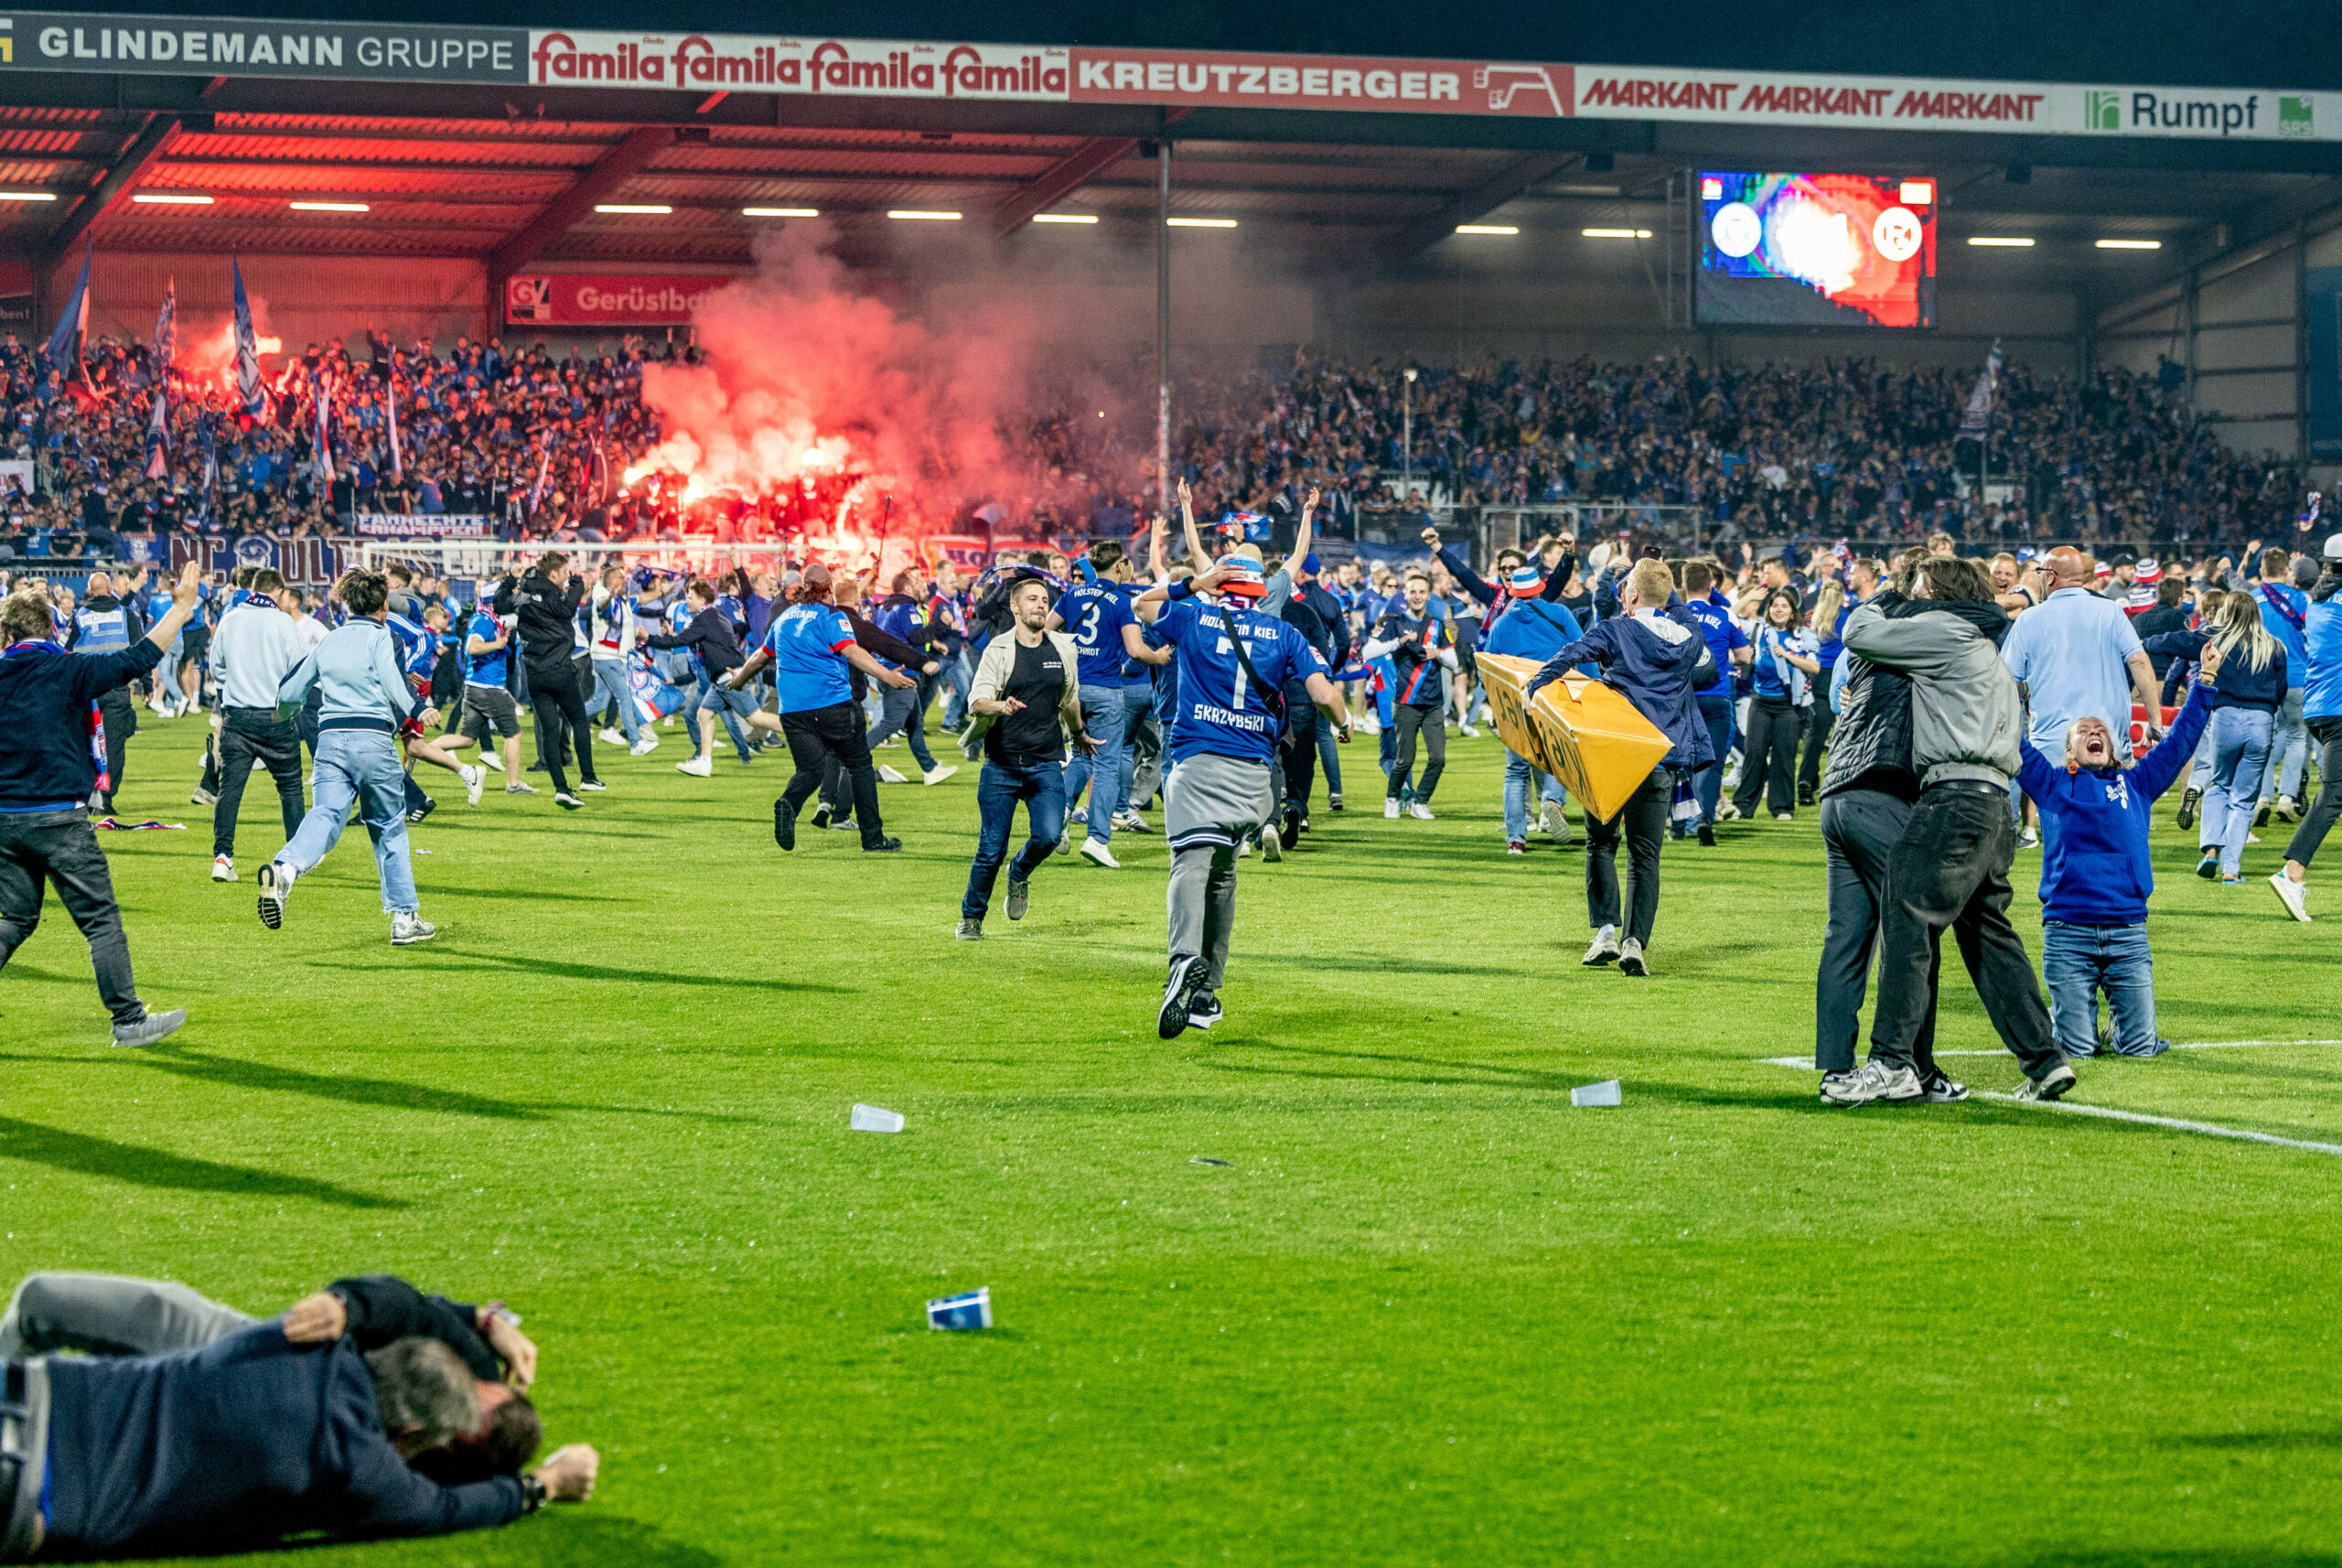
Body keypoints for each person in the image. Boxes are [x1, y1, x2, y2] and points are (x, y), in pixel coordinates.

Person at [5, 1305, 595, 1557]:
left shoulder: (296, 1335)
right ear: (412, 1429)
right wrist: (545, 1484)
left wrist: (479, 1318)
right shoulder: (357, 1471)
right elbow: (444, 1509)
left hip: (29, 1390)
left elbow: (395, 1299)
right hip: (35, 1498)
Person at [1831, 555, 2073, 1105]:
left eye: (1920, 587)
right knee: (1988, 933)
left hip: (1953, 796)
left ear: (1936, 590)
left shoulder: (1944, 628)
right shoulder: (1991, 645)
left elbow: (1859, 632)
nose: (1913, 595)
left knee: (1907, 914)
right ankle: (2044, 1059)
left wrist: (1889, 597)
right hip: (1996, 806)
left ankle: (1892, 1062)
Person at [1132, 549, 1350, 1036]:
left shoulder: (1194, 617)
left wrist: (1194, 583)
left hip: (1198, 762)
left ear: (1220, 583)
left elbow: (1141, 605)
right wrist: (1345, 722)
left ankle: (1183, 962)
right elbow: (1324, 695)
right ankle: (1206, 996)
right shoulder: (1284, 633)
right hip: (1253, 774)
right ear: (1260, 590)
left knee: (1190, 862)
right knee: (1224, 876)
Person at [0, 562, 201, 1047]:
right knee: (100, 921)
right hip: (60, 819)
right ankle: (129, 1021)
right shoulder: (70, 668)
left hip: (5, 820)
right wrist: (182, 609)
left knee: (14, 918)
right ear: (52, 629)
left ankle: (129, 1020)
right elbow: (138, 658)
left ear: (5, 633)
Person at [2015, 643, 2221, 1059]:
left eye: (2101, 732)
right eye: (2084, 731)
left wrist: (2206, 682)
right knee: (2076, 1051)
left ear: (2113, 748)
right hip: (2067, 932)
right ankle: (2081, 1027)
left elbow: (2181, 741)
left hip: (2128, 931)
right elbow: (2010, 742)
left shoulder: (2138, 784)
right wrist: (2003, 696)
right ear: (2069, 752)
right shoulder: (2052, 784)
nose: (2094, 733)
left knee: (2141, 1049)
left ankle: (2120, 1027)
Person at [1814, 564, 1961, 1103]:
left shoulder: (1877, 631)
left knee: (1847, 939)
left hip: (1838, 790)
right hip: (1882, 789)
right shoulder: (1931, 636)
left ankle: (1835, 1069)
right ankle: (1912, 1068)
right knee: (1915, 932)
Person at [1526, 557, 1713, 977]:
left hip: (1614, 755)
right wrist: (1661, 577)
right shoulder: (1689, 636)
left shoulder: (1616, 628)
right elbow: (1674, 606)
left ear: (1629, 595)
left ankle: (1606, 933)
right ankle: (1635, 943)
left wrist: (1535, 684)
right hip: (1661, 758)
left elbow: (1572, 655)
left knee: (1601, 844)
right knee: (1646, 856)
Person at [256, 568, 440, 946]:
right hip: (371, 738)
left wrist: (287, 713)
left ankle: (285, 869)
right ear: (383, 606)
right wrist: (417, 707)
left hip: (330, 740)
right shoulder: (383, 638)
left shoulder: (330, 640)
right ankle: (405, 919)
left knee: (324, 814)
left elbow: (293, 688)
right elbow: (393, 680)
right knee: (389, 826)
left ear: (347, 603)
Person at [728, 564, 914, 854]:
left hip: (793, 711)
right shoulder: (832, 616)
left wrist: (739, 680)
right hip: (832, 705)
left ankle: (789, 802)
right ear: (829, 588)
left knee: (810, 770)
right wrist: (887, 675)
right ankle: (873, 838)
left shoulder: (785, 618)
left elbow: (759, 657)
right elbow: (851, 650)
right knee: (859, 765)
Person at [956, 575, 1092, 939]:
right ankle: (971, 918)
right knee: (990, 849)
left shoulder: (1062, 649)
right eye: (1032, 599)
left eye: (1044, 599)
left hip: (1046, 764)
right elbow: (976, 700)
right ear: (1014, 607)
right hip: (1001, 765)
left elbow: (1070, 698)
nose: (1040, 605)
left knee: (1049, 837)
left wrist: (1079, 734)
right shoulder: (997, 650)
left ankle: (1019, 871)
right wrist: (1001, 705)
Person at [2000, 545, 2164, 765]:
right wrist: (2155, 723)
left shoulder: (2029, 619)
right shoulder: (2111, 611)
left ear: (2050, 576)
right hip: (2108, 743)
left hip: (2052, 746)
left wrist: (2026, 691)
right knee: (2110, 799)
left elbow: (2007, 682)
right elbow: (2139, 662)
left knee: (2052, 800)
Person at [1048, 542, 1149, 867]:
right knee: (1106, 764)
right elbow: (1135, 650)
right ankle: (1097, 838)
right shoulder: (1123, 602)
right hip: (1106, 689)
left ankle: (1060, 816)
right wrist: (1157, 656)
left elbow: (1046, 631)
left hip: (1073, 690)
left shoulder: (1071, 595)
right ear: (1119, 566)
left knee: (1081, 755)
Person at [207, 569, 310, 884]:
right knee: (290, 788)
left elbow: (215, 668)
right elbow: (300, 669)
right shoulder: (282, 622)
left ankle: (223, 858)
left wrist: (238, 682)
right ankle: (296, 859)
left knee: (230, 791)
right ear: (278, 593)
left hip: (237, 717)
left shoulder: (231, 619)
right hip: (276, 716)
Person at [1477, 562, 1585, 854]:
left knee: (1516, 772)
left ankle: (1516, 839)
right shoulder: (1559, 613)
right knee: (1556, 758)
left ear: (1513, 592)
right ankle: (1552, 800)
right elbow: (1582, 649)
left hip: (1515, 702)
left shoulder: (1501, 624)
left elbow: (1486, 668)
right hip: (1553, 697)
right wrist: (1595, 684)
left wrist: (1495, 705)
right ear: (1539, 589)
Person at [2191, 589, 2289, 884]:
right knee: (2244, 799)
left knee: (2219, 785)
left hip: (2225, 718)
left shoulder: (2218, 643)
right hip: (2260, 721)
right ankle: (2231, 869)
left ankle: (2210, 852)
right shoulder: (2275, 647)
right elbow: (2280, 690)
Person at [2270, 535, 2342, 920]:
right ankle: (2292, 873)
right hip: (2339, 710)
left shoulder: (2318, 603)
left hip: (2320, 707)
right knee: (2333, 795)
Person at [495, 553, 596, 809]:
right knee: (579, 721)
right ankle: (588, 777)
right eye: (564, 572)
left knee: (550, 730)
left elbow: (499, 604)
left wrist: (509, 580)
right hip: (560, 669)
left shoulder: (524, 595)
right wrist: (577, 583)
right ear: (553, 574)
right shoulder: (554, 596)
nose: (566, 576)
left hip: (535, 674)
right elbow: (567, 608)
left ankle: (562, 788)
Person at [1363, 570, 1456, 821]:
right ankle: (1392, 798)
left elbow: (1455, 662)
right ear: (1406, 594)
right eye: (1412, 591)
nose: (1417, 596)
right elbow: (1368, 651)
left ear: (1428, 596)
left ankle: (1420, 801)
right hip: (1405, 701)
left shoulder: (1438, 624)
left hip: (1433, 702)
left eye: (1422, 592)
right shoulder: (1394, 623)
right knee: (1404, 759)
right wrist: (1399, 642)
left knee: (1438, 757)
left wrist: (1440, 655)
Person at [1729, 586, 1821, 822]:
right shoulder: (1759, 629)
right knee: (1754, 753)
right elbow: (1731, 615)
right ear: (1768, 609)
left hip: (1789, 705)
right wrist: (1750, 598)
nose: (1779, 610)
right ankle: (1743, 805)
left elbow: (1814, 667)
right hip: (1760, 702)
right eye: (1775, 605)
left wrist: (1788, 655)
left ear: (1792, 612)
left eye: (1784, 606)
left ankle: (1782, 807)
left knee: (1784, 756)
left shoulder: (1804, 634)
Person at [650, 578, 757, 778]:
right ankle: (705, 761)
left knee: (754, 718)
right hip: (720, 676)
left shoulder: (705, 618)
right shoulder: (712, 615)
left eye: (690, 597)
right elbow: (697, 644)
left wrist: (647, 639)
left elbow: (687, 642)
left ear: (700, 598)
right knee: (702, 715)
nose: (687, 600)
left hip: (726, 676)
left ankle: (798, 732)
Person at [1677, 558, 1750, 844]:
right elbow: (1745, 656)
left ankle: (1679, 825)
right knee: (1712, 762)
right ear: (1711, 586)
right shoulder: (1725, 614)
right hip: (1717, 696)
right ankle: (1704, 818)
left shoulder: (1673, 615)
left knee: (1682, 762)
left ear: (1683, 586)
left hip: (1683, 699)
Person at [867, 568, 957, 788]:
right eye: (917, 581)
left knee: (915, 724)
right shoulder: (907, 609)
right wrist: (941, 625)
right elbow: (916, 636)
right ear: (907, 588)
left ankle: (930, 769)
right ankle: (850, 755)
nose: (922, 584)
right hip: (901, 673)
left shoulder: (886, 607)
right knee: (892, 723)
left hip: (892, 670)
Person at [63, 572, 138, 813]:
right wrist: (145, 684)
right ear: (109, 589)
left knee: (86, 742)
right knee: (115, 744)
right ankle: (106, 799)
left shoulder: (80, 616)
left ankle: (86, 797)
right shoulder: (125, 614)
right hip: (117, 687)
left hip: (88, 690)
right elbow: (139, 647)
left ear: (89, 590)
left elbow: (68, 651)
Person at [2251, 546, 2312, 822]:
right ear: (2287, 571)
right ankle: (2287, 798)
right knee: (2298, 736)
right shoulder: (2301, 600)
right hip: (2297, 676)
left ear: (2262, 571)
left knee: (2264, 738)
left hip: (2262, 679)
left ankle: (2263, 797)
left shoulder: (2251, 600)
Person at [452, 595, 532, 798]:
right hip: (488, 687)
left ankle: (422, 750)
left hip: (476, 686)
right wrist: (498, 644)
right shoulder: (484, 620)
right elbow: (472, 646)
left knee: (467, 739)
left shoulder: (487, 618)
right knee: (514, 734)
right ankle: (513, 784)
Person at [586, 565, 655, 756]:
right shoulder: (606, 599)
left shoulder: (624, 600)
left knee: (599, 703)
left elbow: (643, 599)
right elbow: (602, 607)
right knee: (624, 698)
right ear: (610, 582)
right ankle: (636, 743)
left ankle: (568, 718)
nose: (624, 580)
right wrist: (609, 597)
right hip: (609, 657)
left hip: (608, 657)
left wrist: (662, 592)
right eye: (620, 577)